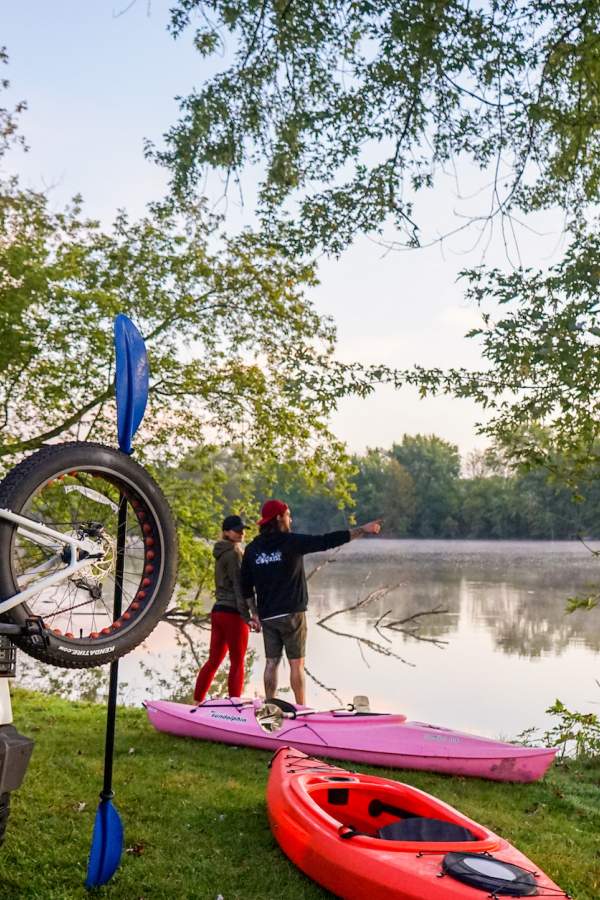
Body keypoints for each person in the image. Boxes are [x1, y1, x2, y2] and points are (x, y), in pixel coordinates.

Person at [240, 499, 381, 705]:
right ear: (279, 518)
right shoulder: (291, 541)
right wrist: (362, 530)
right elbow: (326, 541)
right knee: (296, 664)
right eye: (288, 514)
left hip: (268, 615)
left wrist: (254, 613)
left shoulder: (252, 549)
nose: (291, 519)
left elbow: (245, 586)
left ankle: (269, 706)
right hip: (292, 614)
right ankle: (301, 708)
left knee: (271, 663)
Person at [193, 514, 259, 703]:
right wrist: (249, 616)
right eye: (237, 530)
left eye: (242, 530)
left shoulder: (220, 551)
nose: (241, 533)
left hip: (218, 611)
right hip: (232, 614)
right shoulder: (234, 553)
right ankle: (235, 706)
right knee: (238, 663)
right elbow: (240, 587)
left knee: (214, 661)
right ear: (226, 532)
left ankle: (197, 701)